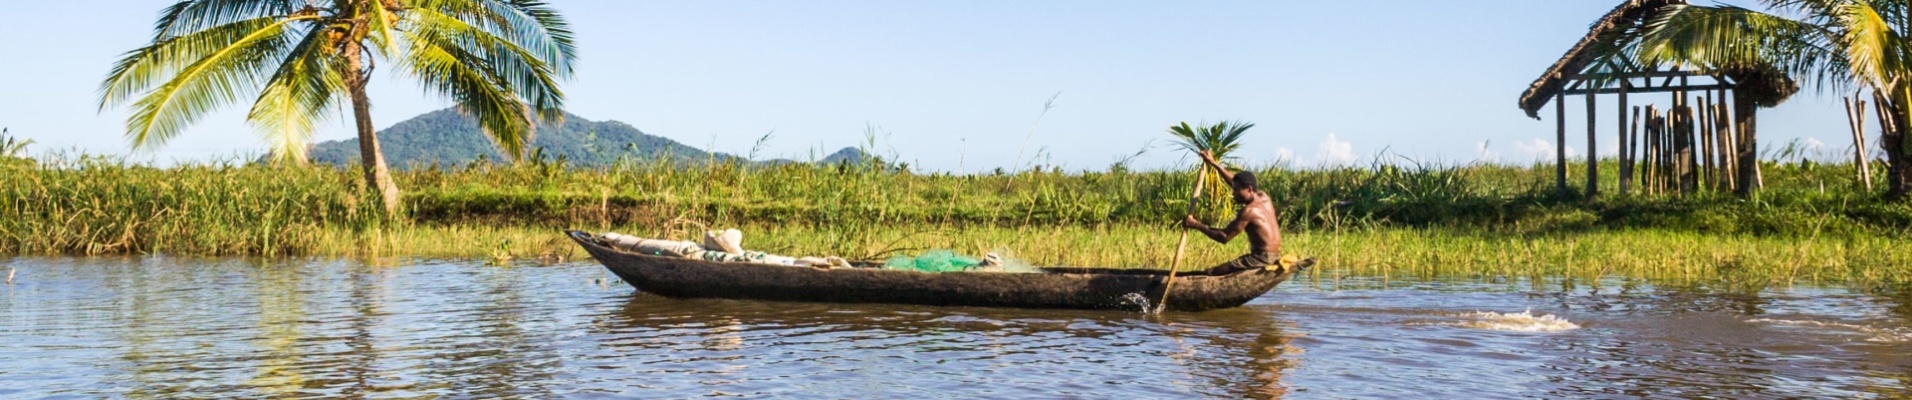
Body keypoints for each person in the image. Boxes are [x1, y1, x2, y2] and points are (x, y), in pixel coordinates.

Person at [1180, 151, 1284, 276]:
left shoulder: (1249, 211)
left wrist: (1196, 225)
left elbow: (1224, 237)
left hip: (1261, 259)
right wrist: (1213, 163)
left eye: (1236, 190)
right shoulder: (1264, 197)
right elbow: (1233, 181)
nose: (1233, 194)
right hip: (1274, 256)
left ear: (1249, 189)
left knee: (1211, 272)